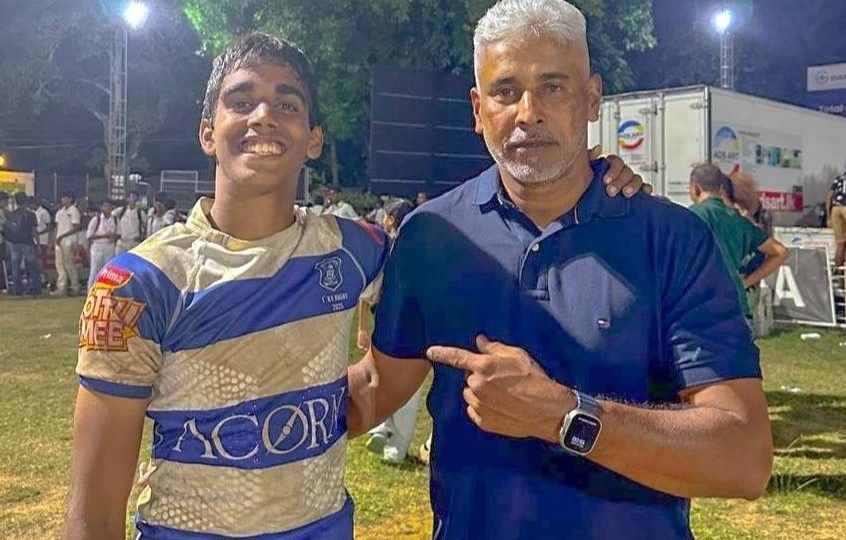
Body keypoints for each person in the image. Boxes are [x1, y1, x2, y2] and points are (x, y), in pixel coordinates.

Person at [349, 2, 773, 539]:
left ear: (592, 98)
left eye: (553, 87)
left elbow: (743, 458)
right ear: (477, 109)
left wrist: (564, 416)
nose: (528, 112)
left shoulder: (671, 239)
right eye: (506, 91)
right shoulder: (431, 236)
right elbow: (375, 387)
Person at [358, 199, 423, 464]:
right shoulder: (420, 250)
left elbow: (366, 295)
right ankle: (395, 444)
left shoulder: (384, 248)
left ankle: (381, 427)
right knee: (407, 386)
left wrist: (362, 328)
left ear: (392, 219)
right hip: (413, 327)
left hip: (390, 324)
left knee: (380, 376)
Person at [688, 164, 789, 322]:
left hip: (702, 307)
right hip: (736, 306)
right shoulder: (740, 221)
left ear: (695, 188)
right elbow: (780, 252)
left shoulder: (691, 216)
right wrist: (746, 282)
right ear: (720, 188)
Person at [4, 193, 42, 296]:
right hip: (28, 242)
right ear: (26, 201)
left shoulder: (11, 214)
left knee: (15, 267)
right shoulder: (31, 215)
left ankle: (17, 289)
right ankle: (35, 287)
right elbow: (34, 231)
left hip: (15, 243)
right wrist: (38, 244)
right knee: (32, 266)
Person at [52, 192, 83, 296]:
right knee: (59, 264)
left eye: (65, 197)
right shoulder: (59, 212)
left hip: (69, 240)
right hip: (59, 241)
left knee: (69, 264)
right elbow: (57, 227)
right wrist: (54, 239)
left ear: (70, 199)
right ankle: (61, 287)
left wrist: (62, 236)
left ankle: (75, 286)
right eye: (62, 198)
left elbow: (76, 227)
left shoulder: (74, 210)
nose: (63, 200)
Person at [85, 199, 120, 289]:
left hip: (109, 247)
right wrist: (104, 236)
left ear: (112, 207)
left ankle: (107, 291)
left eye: (109, 206)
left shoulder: (115, 219)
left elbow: (119, 233)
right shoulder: (96, 220)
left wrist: (113, 236)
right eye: (105, 206)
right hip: (97, 247)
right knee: (95, 270)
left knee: (109, 271)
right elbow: (89, 235)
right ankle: (91, 290)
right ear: (102, 208)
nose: (107, 208)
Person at [827, 168, 846, 268]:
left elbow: (829, 196)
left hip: (835, 209)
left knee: (840, 242)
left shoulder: (839, 179)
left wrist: (828, 216)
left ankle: (838, 270)